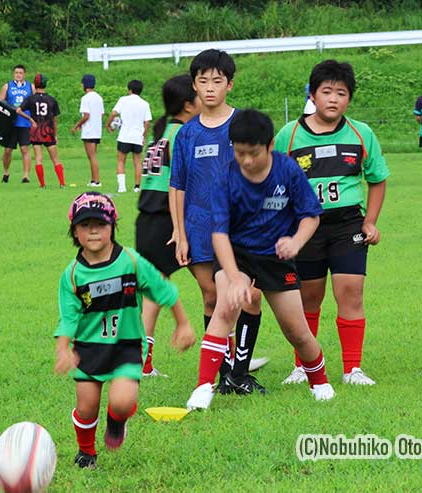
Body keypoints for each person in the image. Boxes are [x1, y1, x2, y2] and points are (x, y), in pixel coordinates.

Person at [186, 109, 333, 410]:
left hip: (275, 259)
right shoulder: (227, 178)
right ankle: (203, 388)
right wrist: (234, 275)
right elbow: (219, 234)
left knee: (297, 331)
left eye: (253, 153)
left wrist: (296, 242)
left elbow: (311, 217)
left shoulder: (288, 171)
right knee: (225, 306)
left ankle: (320, 383)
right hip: (236, 254)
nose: (247, 161)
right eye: (240, 153)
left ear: (269, 146)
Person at [55, 191, 196, 469]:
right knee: (86, 407)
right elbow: (68, 318)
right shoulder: (72, 275)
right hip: (88, 349)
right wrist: (63, 348)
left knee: (121, 403)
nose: (93, 230)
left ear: (113, 225)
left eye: (100, 224)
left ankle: (116, 421)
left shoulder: (131, 262)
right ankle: (87, 453)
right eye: (85, 225)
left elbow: (163, 290)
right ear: (74, 231)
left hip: (126, 346)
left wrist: (183, 323)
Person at [274, 59, 389, 386]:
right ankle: (303, 366)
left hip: (347, 225)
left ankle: (353, 369)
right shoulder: (289, 134)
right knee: (308, 297)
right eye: (326, 91)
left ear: (349, 98)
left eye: (341, 93)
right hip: (304, 228)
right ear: (312, 94)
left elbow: (377, 179)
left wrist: (371, 221)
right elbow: (275, 182)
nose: (334, 99)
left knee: (350, 292)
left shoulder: (361, 133)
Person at [170, 49, 267, 395]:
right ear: (194, 86)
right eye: (202, 81)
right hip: (197, 226)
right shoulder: (186, 135)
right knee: (212, 298)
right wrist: (179, 233)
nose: (209, 88)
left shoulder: (244, 125)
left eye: (217, 81)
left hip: (241, 228)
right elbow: (177, 184)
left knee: (246, 296)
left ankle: (238, 371)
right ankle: (226, 372)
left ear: (229, 84)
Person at [136, 74, 200, 376]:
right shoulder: (183, 135)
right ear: (189, 104)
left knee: (153, 291)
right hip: (168, 219)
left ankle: (143, 362)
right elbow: (184, 184)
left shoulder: (161, 131)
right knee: (215, 284)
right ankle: (229, 356)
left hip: (147, 218)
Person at [16, 73, 66, 188]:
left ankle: (42, 184)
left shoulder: (30, 99)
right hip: (48, 131)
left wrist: (30, 120)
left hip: (36, 131)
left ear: (35, 84)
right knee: (55, 158)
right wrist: (55, 134)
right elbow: (54, 120)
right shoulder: (52, 100)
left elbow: (18, 110)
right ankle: (62, 183)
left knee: (38, 158)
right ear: (45, 84)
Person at [106, 80, 152, 193]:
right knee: (137, 162)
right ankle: (137, 187)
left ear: (129, 90)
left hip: (124, 136)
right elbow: (147, 123)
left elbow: (113, 114)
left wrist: (108, 125)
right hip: (137, 137)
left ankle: (122, 187)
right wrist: (144, 137)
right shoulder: (145, 104)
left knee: (121, 161)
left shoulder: (123, 100)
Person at [0, 64, 35, 183]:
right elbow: (0, 102)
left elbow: (34, 103)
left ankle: (26, 176)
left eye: (20, 73)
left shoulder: (30, 87)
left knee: (25, 149)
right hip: (11, 123)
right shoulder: (7, 86)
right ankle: (6, 172)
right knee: (8, 150)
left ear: (24, 74)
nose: (18, 75)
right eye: (16, 73)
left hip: (25, 122)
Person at [71, 74, 104, 187]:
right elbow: (101, 114)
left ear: (85, 84)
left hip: (89, 131)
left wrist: (77, 125)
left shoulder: (85, 98)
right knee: (92, 155)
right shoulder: (99, 97)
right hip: (96, 130)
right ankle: (93, 179)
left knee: (92, 156)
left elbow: (86, 115)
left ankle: (96, 180)